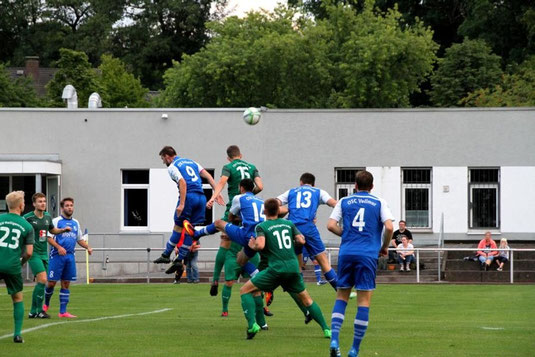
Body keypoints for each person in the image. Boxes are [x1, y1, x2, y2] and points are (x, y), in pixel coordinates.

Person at [239, 198, 331, 340]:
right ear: (278, 211)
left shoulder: (262, 226)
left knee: (245, 290)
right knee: (307, 300)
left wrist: (253, 245)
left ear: (264, 211)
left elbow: (261, 245)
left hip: (276, 268)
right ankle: (326, 329)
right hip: (293, 267)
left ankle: (252, 325)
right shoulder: (289, 224)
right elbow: (301, 240)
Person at [327, 170, 394, 357]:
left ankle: (334, 340)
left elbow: (330, 225)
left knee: (342, 296)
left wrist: (346, 235)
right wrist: (384, 246)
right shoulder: (379, 202)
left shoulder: (344, 201)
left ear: (354, 186)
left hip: (347, 252)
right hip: (367, 254)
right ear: (372, 187)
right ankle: (354, 349)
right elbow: (389, 227)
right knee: (363, 301)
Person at [153, 146, 223, 276]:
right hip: (201, 198)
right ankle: (179, 260)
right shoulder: (192, 162)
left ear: (168, 156)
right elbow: (208, 176)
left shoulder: (173, 166)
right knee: (190, 230)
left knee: (178, 227)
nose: (163, 162)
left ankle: (166, 254)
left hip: (189, 197)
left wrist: (182, 203)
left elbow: (183, 183)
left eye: (163, 159)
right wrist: (216, 193)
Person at [206, 145, 263, 296]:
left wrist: (213, 197)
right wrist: (250, 195)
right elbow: (261, 186)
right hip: (248, 214)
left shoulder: (228, 166)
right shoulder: (252, 167)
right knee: (246, 248)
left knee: (224, 241)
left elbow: (222, 182)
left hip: (233, 210)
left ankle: (215, 280)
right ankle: (258, 278)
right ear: (241, 155)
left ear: (228, 157)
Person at [276, 173, 338, 290]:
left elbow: (274, 204)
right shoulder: (318, 191)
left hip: (291, 228)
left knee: (297, 264)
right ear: (313, 184)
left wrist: (287, 210)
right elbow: (333, 203)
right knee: (323, 261)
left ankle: (299, 292)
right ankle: (340, 290)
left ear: (300, 182)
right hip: (308, 227)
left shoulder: (291, 192)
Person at [24, 193, 72, 318]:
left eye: (44, 201)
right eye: (40, 201)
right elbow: (20, 231)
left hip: (44, 253)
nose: (43, 203)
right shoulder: (27, 218)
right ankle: (39, 310)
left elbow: (51, 230)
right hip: (33, 253)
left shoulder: (47, 217)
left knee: (41, 282)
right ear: (34, 204)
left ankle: (33, 311)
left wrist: (62, 230)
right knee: (43, 279)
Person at [43, 197, 92, 318]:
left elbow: (79, 239)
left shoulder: (75, 223)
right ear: (62, 208)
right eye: (67, 205)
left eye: (71, 205)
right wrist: (59, 247)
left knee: (66, 283)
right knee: (51, 283)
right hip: (56, 256)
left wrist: (88, 247)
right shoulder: (56, 221)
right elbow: (48, 237)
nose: (70, 207)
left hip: (70, 257)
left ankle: (63, 312)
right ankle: (46, 305)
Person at [0, 191, 34, 343]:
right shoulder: (26, 225)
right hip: (12, 265)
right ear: (21, 205)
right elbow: (28, 252)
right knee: (17, 298)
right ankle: (17, 334)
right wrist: (21, 263)